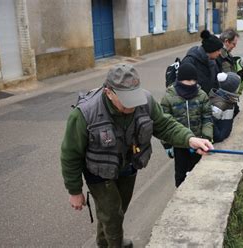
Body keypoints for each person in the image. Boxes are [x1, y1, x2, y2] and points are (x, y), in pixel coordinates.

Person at [60, 63, 214, 248]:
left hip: (128, 166)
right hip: (99, 171)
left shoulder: (145, 101)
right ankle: (115, 244)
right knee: (112, 214)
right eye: (126, 100)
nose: (132, 105)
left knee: (117, 211)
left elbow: (165, 125)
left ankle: (104, 242)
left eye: (134, 98)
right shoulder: (84, 114)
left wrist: (190, 139)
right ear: (109, 92)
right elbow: (70, 155)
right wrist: (75, 191)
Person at [160, 63, 213, 187]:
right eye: (187, 80)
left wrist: (207, 138)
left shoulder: (202, 96)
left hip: (198, 142)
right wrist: (167, 144)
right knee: (180, 175)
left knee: (197, 173)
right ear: (179, 80)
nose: (190, 83)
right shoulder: (168, 98)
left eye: (193, 80)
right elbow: (163, 123)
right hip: (179, 145)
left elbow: (207, 119)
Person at [182, 30, 223, 94]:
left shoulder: (213, 62)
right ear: (211, 49)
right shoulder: (190, 61)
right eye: (218, 50)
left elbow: (216, 83)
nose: (220, 53)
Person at [209, 72, 241, 143]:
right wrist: (218, 136)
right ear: (232, 88)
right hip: (219, 137)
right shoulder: (219, 105)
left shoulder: (229, 99)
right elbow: (210, 122)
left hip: (224, 133)